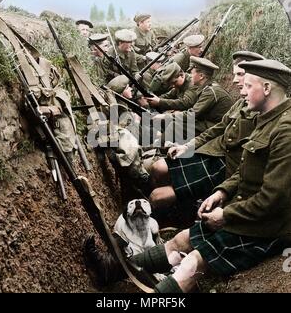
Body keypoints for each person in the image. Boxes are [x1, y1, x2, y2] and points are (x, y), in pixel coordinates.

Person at [84, 58, 291, 293]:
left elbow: (273, 199)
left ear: (266, 88)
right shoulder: (266, 118)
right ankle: (110, 269)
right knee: (182, 239)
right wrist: (222, 192)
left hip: (264, 227)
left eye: (248, 85)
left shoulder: (285, 130)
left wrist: (226, 214)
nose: (240, 89)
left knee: (191, 264)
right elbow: (246, 171)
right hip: (246, 208)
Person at [149, 51, 264, 215]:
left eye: (241, 74)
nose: (235, 80)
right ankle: (178, 208)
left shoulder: (263, 113)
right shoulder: (240, 102)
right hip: (212, 151)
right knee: (158, 167)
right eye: (235, 74)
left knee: (157, 196)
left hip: (224, 166)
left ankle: (175, 213)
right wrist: (188, 146)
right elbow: (218, 128)